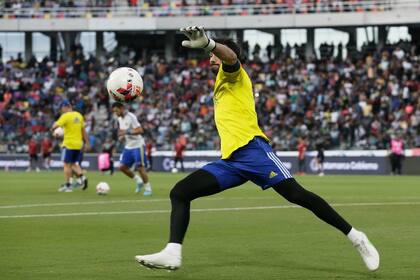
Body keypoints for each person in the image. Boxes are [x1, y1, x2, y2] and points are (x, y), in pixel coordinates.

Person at [135, 26, 380, 272]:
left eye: (212, 54)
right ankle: (173, 252)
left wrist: (209, 43)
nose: (209, 58)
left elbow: (231, 58)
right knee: (180, 192)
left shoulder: (234, 74)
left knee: (298, 195)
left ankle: (356, 237)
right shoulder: (221, 82)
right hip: (231, 161)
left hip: (254, 151)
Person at [112, 102, 152, 196]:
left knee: (140, 167)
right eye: (114, 112)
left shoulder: (131, 116)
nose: (116, 113)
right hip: (128, 146)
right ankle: (139, 181)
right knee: (122, 167)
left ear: (122, 108)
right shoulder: (119, 119)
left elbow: (140, 130)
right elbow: (123, 132)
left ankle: (148, 188)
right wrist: (122, 137)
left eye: (117, 111)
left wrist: (126, 132)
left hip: (138, 145)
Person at [51, 100, 90, 192]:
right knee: (73, 164)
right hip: (78, 144)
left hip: (68, 144)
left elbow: (55, 126)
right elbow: (83, 131)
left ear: (65, 106)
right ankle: (83, 178)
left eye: (61, 109)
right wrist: (87, 143)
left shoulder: (65, 116)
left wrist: (53, 131)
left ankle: (68, 186)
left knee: (66, 165)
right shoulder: (79, 115)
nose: (61, 111)